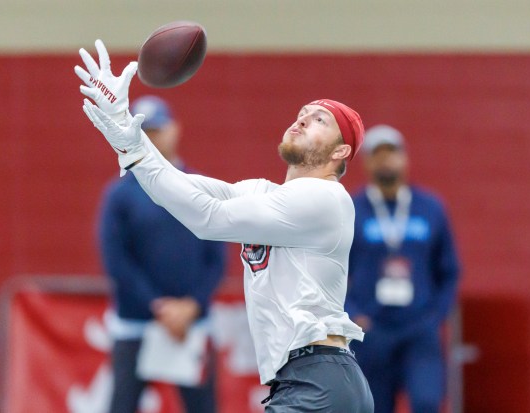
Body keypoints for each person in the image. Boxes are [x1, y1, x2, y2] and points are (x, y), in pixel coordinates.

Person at [75, 39, 374, 413]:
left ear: (340, 151)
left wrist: (134, 149)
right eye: (302, 112)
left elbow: (207, 218)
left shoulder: (324, 199)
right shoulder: (267, 193)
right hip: (307, 380)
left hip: (320, 380)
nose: (302, 118)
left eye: (319, 120)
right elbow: (181, 187)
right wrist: (125, 131)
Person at [96, 93, 227, 413]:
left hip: (190, 325)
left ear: (175, 130)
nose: (152, 138)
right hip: (136, 324)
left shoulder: (197, 186)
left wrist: (191, 305)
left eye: (157, 129)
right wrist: (158, 306)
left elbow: (217, 257)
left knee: (202, 406)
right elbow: (116, 260)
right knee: (123, 404)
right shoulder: (121, 194)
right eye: (145, 132)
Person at [346, 125, 461, 413]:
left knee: (426, 402)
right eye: (378, 155)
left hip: (418, 327)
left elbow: (449, 270)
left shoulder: (430, 208)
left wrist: (435, 315)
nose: (386, 161)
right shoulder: (351, 209)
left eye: (392, 153)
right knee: (373, 406)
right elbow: (331, 271)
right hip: (372, 328)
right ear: (367, 162)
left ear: (405, 158)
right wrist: (352, 313)